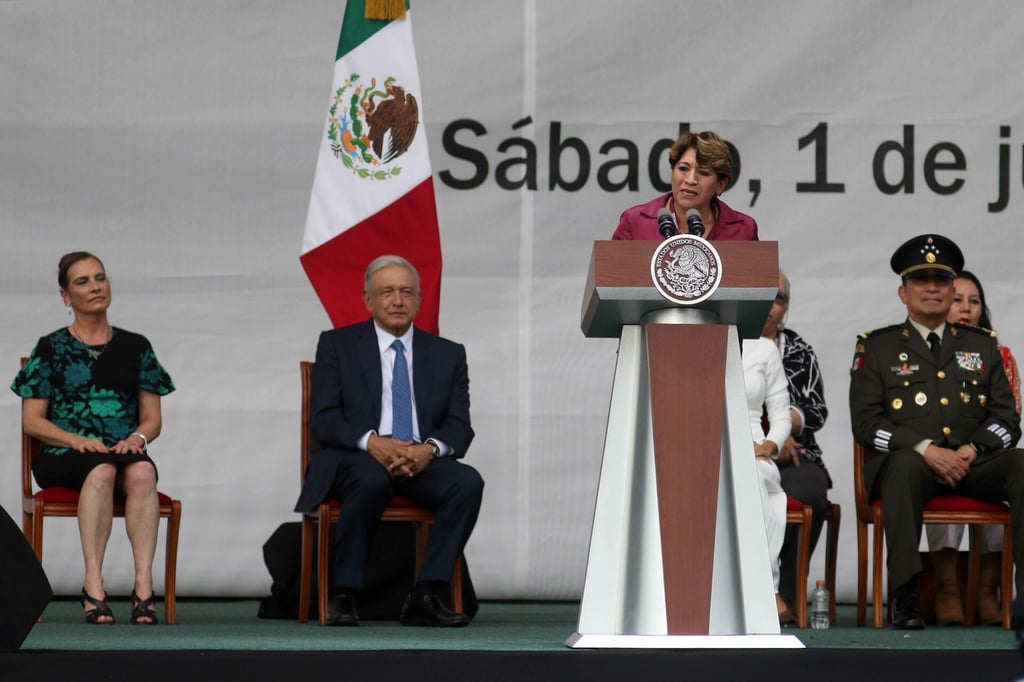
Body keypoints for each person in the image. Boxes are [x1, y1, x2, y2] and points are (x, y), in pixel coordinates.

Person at [294, 255, 484, 628]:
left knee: (467, 482)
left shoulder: (448, 354)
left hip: (419, 460)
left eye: (406, 292)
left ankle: (427, 595)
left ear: (419, 299)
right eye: (387, 292)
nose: (397, 300)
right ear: (367, 299)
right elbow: (325, 420)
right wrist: (373, 443)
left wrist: (428, 450)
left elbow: (460, 427)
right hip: (354, 457)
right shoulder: (337, 345)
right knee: (371, 479)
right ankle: (344, 595)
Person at [849, 234, 1024, 630]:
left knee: (1022, 463)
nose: (932, 288)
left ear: (950, 289)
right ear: (903, 292)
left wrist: (974, 449)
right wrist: (926, 449)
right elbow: (866, 424)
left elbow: (1007, 419)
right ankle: (907, 595)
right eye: (921, 281)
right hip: (909, 467)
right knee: (905, 466)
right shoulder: (877, 347)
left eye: (941, 281)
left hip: (972, 464)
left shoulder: (982, 346)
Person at [10, 252, 175, 625]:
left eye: (100, 277)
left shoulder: (137, 347)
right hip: (63, 452)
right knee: (99, 470)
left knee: (143, 473)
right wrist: (74, 439)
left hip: (122, 449)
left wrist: (137, 438)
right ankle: (93, 584)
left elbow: (153, 419)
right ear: (66, 297)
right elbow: (32, 421)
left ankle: (143, 587)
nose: (95, 286)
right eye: (82, 281)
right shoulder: (50, 348)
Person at [926, 270, 1022, 625]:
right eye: (957, 300)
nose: (965, 308)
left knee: (1008, 479)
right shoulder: (927, 354)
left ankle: (987, 592)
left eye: (974, 301)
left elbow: (1009, 417)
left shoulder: (998, 354)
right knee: (945, 474)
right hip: (940, 457)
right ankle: (948, 591)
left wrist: (976, 448)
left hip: (986, 456)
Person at [760, 272, 832, 621]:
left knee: (812, 494)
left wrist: (784, 428)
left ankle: (787, 595)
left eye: (779, 298)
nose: (770, 307)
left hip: (796, 455)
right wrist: (773, 437)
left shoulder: (800, 350)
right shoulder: (726, 342)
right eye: (762, 296)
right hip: (742, 450)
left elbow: (817, 411)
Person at [612, 130, 758, 241]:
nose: (690, 180)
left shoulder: (744, 229)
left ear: (720, 184)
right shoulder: (635, 221)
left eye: (703, 173)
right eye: (683, 168)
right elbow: (611, 277)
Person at [741, 331, 792, 622]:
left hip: (754, 448)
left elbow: (781, 416)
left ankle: (766, 586)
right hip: (701, 447)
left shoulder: (764, 348)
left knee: (754, 476)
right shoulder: (692, 338)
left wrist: (770, 446)